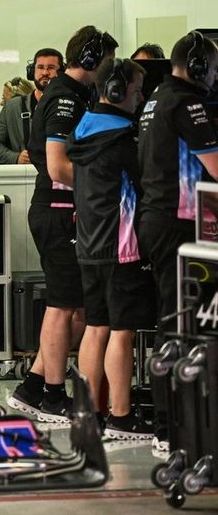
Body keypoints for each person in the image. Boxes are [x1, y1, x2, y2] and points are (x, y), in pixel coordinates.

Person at [7, 26, 117, 425]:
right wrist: (101, 187)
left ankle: (34, 386)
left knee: (77, 308)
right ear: (90, 60)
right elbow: (57, 166)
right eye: (107, 63)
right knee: (62, 307)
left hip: (63, 210)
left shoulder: (74, 94)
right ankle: (52, 396)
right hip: (58, 211)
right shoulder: (65, 98)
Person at [138, 30, 218, 452]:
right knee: (176, 324)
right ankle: (168, 428)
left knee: (173, 321)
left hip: (159, 219)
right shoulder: (187, 103)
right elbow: (216, 166)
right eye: (214, 68)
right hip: (177, 225)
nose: (215, 77)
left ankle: (174, 423)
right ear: (200, 67)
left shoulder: (156, 99)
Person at [67, 58, 155, 440]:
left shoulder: (82, 129)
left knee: (96, 327)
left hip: (89, 244)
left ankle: (89, 413)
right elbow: (148, 183)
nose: (140, 99)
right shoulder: (123, 139)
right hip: (121, 246)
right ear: (117, 91)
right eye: (136, 90)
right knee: (122, 331)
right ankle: (121, 417)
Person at [0, 48, 63, 165]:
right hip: (25, 174)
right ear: (32, 71)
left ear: (62, 72)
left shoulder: (71, 104)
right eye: (40, 67)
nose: (45, 73)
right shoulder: (13, 106)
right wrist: (15, 157)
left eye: (51, 68)